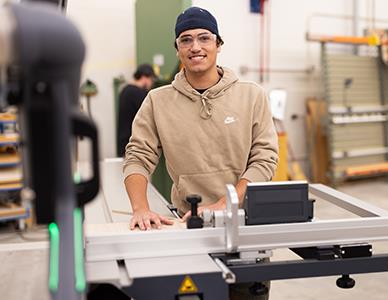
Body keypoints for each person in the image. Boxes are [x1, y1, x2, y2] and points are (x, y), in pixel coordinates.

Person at [123, 6, 278, 300]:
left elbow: (264, 157)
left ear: (218, 44)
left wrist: (225, 202)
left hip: (243, 227)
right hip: (187, 228)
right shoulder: (157, 101)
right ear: (177, 48)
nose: (195, 47)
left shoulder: (251, 95)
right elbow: (138, 156)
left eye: (204, 38)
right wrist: (140, 208)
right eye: (186, 39)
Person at [116, 63, 156, 156]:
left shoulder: (126, 90)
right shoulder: (137, 93)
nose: (151, 83)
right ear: (144, 77)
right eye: (151, 79)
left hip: (125, 144)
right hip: (133, 146)